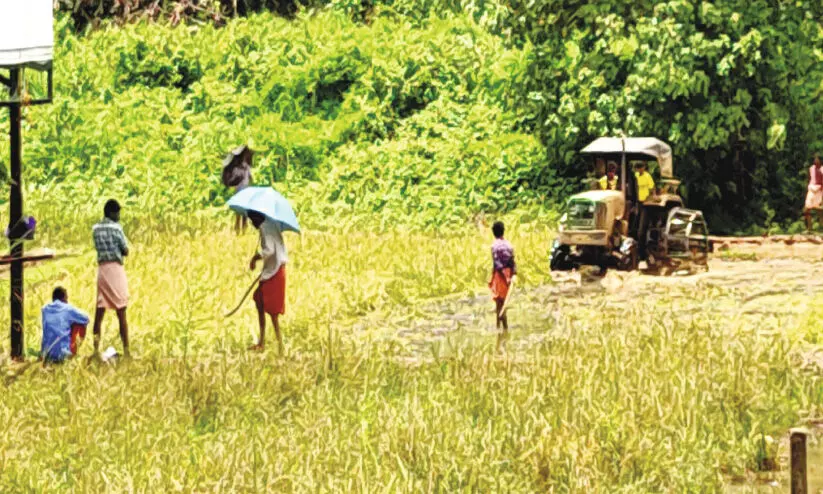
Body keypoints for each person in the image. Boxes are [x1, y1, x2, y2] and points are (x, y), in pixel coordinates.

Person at [92, 199, 130, 358]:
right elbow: (125, 250)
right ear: (112, 213)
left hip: (102, 270)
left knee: (100, 310)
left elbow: (97, 246)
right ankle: (127, 350)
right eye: (118, 212)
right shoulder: (116, 228)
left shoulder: (95, 229)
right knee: (121, 310)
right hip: (115, 269)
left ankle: (95, 349)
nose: (119, 215)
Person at [247, 210, 287, 353]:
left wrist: (256, 258)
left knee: (272, 309)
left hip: (274, 271)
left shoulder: (265, 227)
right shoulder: (272, 224)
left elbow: (269, 250)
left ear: (257, 218)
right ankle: (262, 341)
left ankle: (280, 344)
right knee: (260, 301)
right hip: (273, 269)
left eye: (252, 221)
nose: (253, 224)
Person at [41, 287, 90, 363]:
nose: (67, 301)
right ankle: (73, 353)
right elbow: (86, 319)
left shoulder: (44, 309)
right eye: (67, 298)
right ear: (63, 298)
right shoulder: (68, 309)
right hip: (63, 354)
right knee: (80, 324)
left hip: (46, 354)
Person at [488, 221, 516, 347]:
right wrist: (511, 275)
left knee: (499, 303)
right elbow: (512, 262)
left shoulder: (494, 246)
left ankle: (500, 329)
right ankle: (503, 329)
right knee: (503, 302)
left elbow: (497, 264)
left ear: (493, 232)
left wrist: (497, 276)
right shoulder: (509, 245)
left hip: (500, 276)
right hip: (508, 274)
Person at [804, 153, 823, 232]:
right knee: (807, 208)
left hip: (819, 189)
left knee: (819, 209)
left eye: (817, 159)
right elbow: (809, 178)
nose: (815, 160)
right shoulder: (811, 168)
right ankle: (809, 227)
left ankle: (821, 226)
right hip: (811, 188)